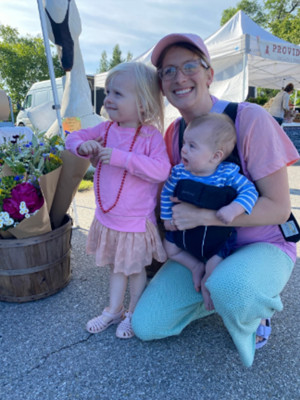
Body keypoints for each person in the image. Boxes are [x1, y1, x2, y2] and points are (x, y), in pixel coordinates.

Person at [132, 33, 300, 367]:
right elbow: (165, 193)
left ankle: (251, 305)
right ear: (162, 85)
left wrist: (202, 217)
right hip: (201, 249)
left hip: (261, 245)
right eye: (168, 71)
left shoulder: (249, 119)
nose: (179, 77)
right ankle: (218, 289)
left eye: (190, 65)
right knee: (146, 325)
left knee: (235, 288)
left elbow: (280, 208)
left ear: (209, 74)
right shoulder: (173, 134)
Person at [65, 61, 171, 339]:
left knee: (135, 271)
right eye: (108, 92)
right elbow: (72, 137)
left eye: (118, 94)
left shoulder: (150, 136)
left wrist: (122, 159)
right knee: (116, 268)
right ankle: (113, 310)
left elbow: (161, 169)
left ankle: (133, 312)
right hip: (109, 219)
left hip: (134, 223)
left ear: (143, 103)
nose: (108, 99)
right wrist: (81, 145)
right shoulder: (105, 129)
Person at [161, 113, 258, 310]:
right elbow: (166, 193)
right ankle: (195, 266)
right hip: (185, 234)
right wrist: (166, 217)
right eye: (185, 143)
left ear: (216, 156)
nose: (184, 149)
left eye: (192, 146)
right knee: (169, 248)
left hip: (217, 240)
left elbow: (250, 191)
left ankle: (213, 295)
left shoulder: (227, 174)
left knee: (213, 268)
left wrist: (234, 208)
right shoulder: (179, 172)